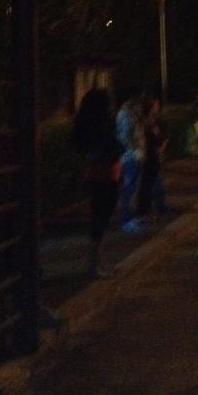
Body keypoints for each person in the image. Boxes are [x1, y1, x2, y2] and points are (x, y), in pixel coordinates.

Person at [73, 88, 123, 278]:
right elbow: (111, 144)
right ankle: (94, 265)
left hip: (96, 172)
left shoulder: (83, 122)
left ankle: (97, 263)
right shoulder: (102, 123)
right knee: (101, 216)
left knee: (99, 215)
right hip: (106, 171)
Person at [116, 88, 146, 233]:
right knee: (128, 189)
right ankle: (126, 221)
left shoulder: (130, 114)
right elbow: (125, 138)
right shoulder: (125, 115)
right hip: (129, 157)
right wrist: (136, 150)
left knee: (132, 189)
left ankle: (131, 218)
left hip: (134, 156)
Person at [136, 96, 170, 222]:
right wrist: (146, 154)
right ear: (150, 108)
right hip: (149, 157)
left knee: (150, 184)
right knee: (146, 185)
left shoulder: (153, 121)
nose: (158, 108)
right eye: (156, 106)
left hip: (154, 156)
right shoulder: (145, 123)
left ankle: (149, 210)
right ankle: (143, 212)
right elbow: (143, 140)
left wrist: (162, 146)